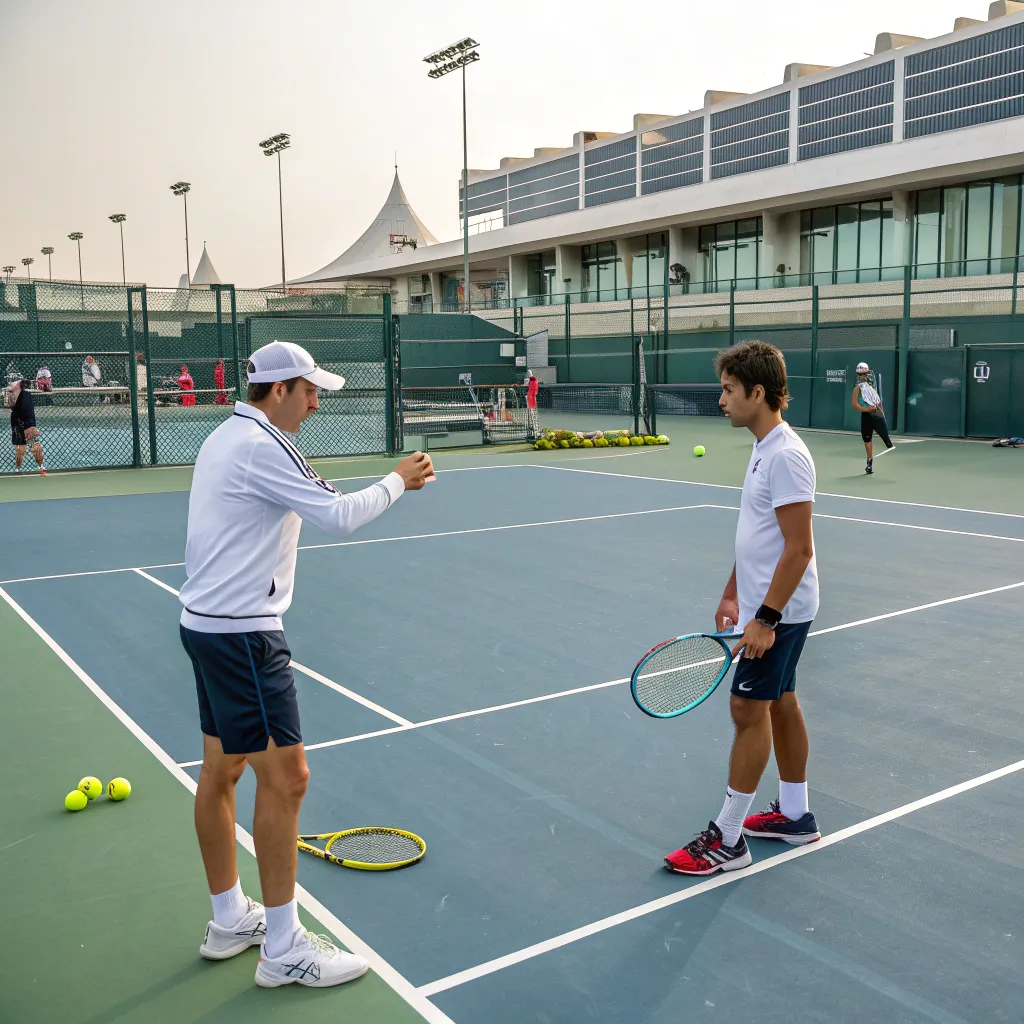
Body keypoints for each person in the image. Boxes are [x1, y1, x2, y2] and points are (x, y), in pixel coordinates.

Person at [178, 340, 434, 990]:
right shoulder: (265, 445)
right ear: (282, 388)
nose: (317, 402)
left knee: (222, 771)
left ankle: (230, 918)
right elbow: (339, 516)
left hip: (207, 629)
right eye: (311, 390)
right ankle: (285, 949)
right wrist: (398, 479)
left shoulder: (225, 437)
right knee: (288, 780)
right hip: (242, 638)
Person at [665, 340, 819, 876]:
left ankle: (728, 839)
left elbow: (799, 549)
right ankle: (796, 816)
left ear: (758, 392)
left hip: (780, 611)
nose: (721, 399)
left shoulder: (787, 456)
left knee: (747, 712)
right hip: (767, 605)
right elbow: (759, 537)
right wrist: (733, 593)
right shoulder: (763, 446)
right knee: (781, 702)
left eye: (729, 390)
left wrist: (766, 619)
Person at [851, 361, 893, 475]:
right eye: (860, 375)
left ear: (868, 373)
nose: (862, 377)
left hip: (875, 414)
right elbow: (854, 405)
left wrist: (881, 414)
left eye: (864, 374)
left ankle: (887, 443)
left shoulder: (872, 387)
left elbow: (878, 401)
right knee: (867, 438)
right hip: (866, 416)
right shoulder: (857, 389)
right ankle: (869, 462)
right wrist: (866, 409)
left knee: (885, 436)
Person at [7, 376, 46, 476]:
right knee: (20, 446)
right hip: (17, 420)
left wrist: (30, 427)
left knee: (33, 443)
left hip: (27, 420)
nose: (11, 386)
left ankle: (41, 466)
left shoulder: (25, 395)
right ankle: (18, 468)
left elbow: (14, 387)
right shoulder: (12, 394)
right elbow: (11, 396)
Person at [526, 370, 540, 439]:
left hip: (532, 395)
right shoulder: (533, 383)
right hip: (532, 394)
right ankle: (535, 430)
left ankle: (535, 431)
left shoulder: (534, 383)